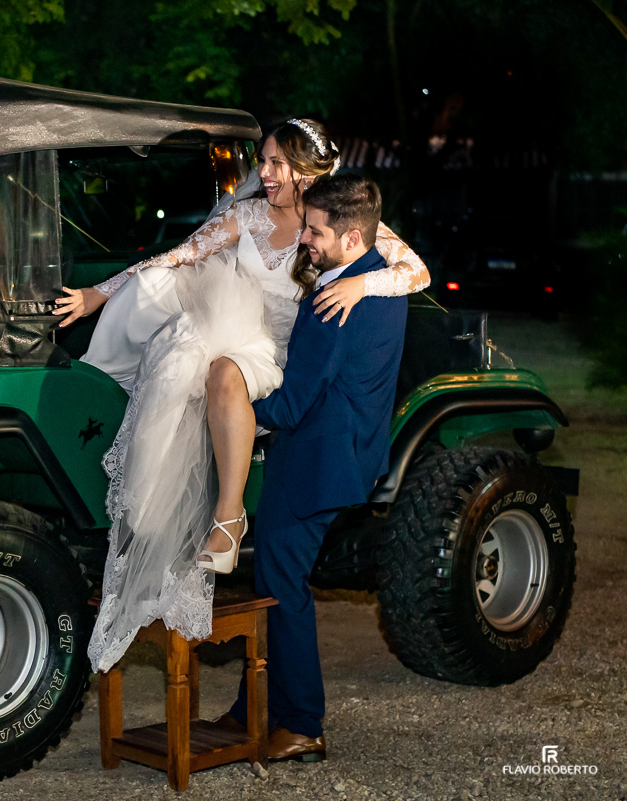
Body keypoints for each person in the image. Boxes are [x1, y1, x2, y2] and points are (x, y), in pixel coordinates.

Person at [80, 120, 428, 674]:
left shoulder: (338, 224)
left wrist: (362, 282)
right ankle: (142, 521)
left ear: (310, 173)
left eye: (276, 164)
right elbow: (176, 257)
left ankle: (227, 517)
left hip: (287, 354)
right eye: (261, 161)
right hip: (238, 334)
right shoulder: (246, 217)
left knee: (221, 375)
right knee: (180, 355)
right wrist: (101, 292)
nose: (262, 173)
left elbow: (416, 270)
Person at [218, 173, 408, 760]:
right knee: (279, 583)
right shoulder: (376, 282)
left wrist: (229, 406)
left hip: (314, 465)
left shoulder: (336, 299)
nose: (304, 237)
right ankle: (256, 709)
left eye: (316, 230)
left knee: (282, 589)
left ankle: (300, 723)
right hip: (344, 454)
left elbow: (293, 404)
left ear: (352, 237)